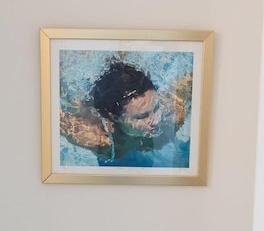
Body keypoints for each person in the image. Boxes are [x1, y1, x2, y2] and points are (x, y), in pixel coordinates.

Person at [60, 61, 192, 167]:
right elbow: (50, 118)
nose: (156, 120)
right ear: (115, 118)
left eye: (156, 107)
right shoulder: (96, 137)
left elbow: (194, 76)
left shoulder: (172, 115)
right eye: (142, 116)